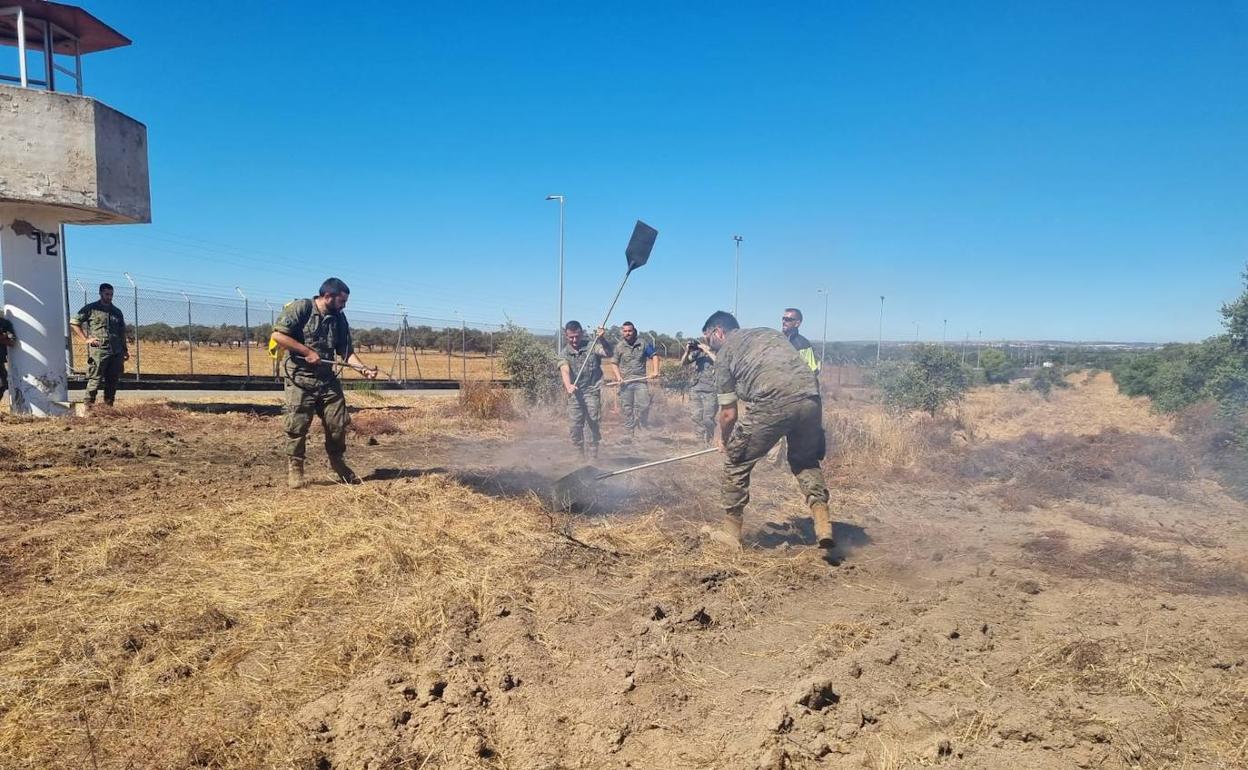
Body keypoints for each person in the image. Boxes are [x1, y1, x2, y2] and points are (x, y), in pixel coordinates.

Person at [703, 310, 833, 549]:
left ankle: (730, 533)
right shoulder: (769, 333)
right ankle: (823, 523)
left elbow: (728, 413)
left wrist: (725, 440)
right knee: (805, 461)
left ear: (717, 332)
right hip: (811, 399)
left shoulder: (724, 355)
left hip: (774, 401)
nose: (710, 345)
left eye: (708, 339)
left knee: (736, 461)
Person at [270, 277, 377, 489]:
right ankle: (296, 467)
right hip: (300, 379)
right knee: (297, 425)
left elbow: (347, 353)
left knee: (338, 423)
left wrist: (362, 369)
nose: (344, 306)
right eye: (341, 301)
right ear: (327, 296)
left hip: (327, 380)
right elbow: (278, 336)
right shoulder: (302, 308)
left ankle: (337, 462)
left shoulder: (339, 319)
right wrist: (306, 351)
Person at [769, 307, 823, 463]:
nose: (784, 321)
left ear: (797, 323)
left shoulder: (802, 344)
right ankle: (772, 464)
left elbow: (812, 371)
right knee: (774, 427)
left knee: (794, 431)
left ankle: (793, 463)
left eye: (789, 319)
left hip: (796, 395)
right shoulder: (777, 340)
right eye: (783, 318)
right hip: (777, 393)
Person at [558, 320, 613, 459]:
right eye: (571, 337)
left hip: (591, 391)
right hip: (575, 393)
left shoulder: (592, 346)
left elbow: (608, 353)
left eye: (577, 336)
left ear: (581, 333)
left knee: (592, 423)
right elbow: (564, 369)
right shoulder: (564, 353)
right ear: (566, 336)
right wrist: (568, 385)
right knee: (575, 427)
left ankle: (593, 457)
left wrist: (602, 339)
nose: (574, 340)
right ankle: (579, 457)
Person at [70, 283, 129, 406]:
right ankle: (89, 406)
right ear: (101, 293)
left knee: (112, 380)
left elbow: (122, 332)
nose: (109, 297)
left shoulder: (117, 312)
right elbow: (75, 322)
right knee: (95, 379)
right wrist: (86, 339)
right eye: (107, 294)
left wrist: (125, 350)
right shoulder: (91, 309)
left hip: (116, 351)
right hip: (100, 351)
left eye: (111, 294)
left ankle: (108, 406)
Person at [612, 321, 654, 441]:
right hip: (625, 382)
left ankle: (642, 425)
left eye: (630, 331)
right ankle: (629, 432)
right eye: (625, 331)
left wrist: (655, 371)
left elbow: (654, 356)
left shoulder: (643, 343)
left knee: (644, 404)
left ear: (634, 331)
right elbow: (614, 363)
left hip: (640, 381)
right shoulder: (619, 346)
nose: (628, 333)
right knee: (627, 408)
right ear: (622, 332)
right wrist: (618, 377)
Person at [679, 337, 717, 444]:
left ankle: (709, 438)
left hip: (711, 390)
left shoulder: (717, 351)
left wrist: (707, 351)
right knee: (696, 416)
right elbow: (683, 363)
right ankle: (700, 440)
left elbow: (718, 362)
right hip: (696, 388)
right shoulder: (697, 354)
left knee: (708, 418)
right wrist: (687, 351)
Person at [0, 314, 15, 404]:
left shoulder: (5, 323)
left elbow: (12, 341)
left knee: (3, 384)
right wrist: (3, 336)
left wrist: (4, 337)